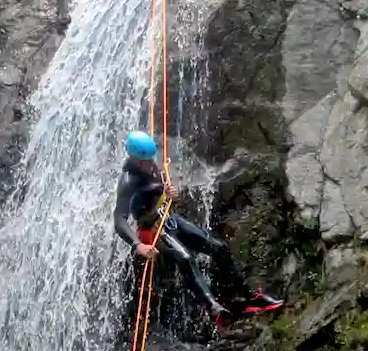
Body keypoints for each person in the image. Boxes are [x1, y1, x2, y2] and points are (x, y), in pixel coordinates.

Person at [112, 130, 283, 326]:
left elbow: (158, 190)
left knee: (218, 247)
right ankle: (214, 308)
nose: (151, 163)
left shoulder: (149, 164)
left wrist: (169, 192)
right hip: (150, 229)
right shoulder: (127, 182)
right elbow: (119, 219)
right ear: (134, 159)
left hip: (168, 219)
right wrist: (137, 245)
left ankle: (249, 297)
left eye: (151, 158)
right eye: (145, 160)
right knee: (185, 258)